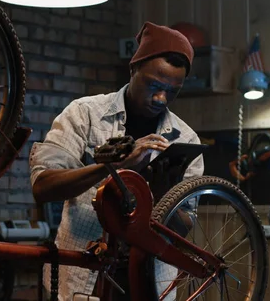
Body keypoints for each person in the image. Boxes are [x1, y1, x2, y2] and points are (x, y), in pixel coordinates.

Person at [29, 21, 205, 301]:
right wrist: (116, 167)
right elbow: (43, 186)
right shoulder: (84, 115)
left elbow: (183, 227)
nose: (161, 98)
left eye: (173, 91)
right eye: (154, 85)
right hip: (84, 280)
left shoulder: (186, 140)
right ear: (133, 69)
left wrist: (161, 195)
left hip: (150, 284)